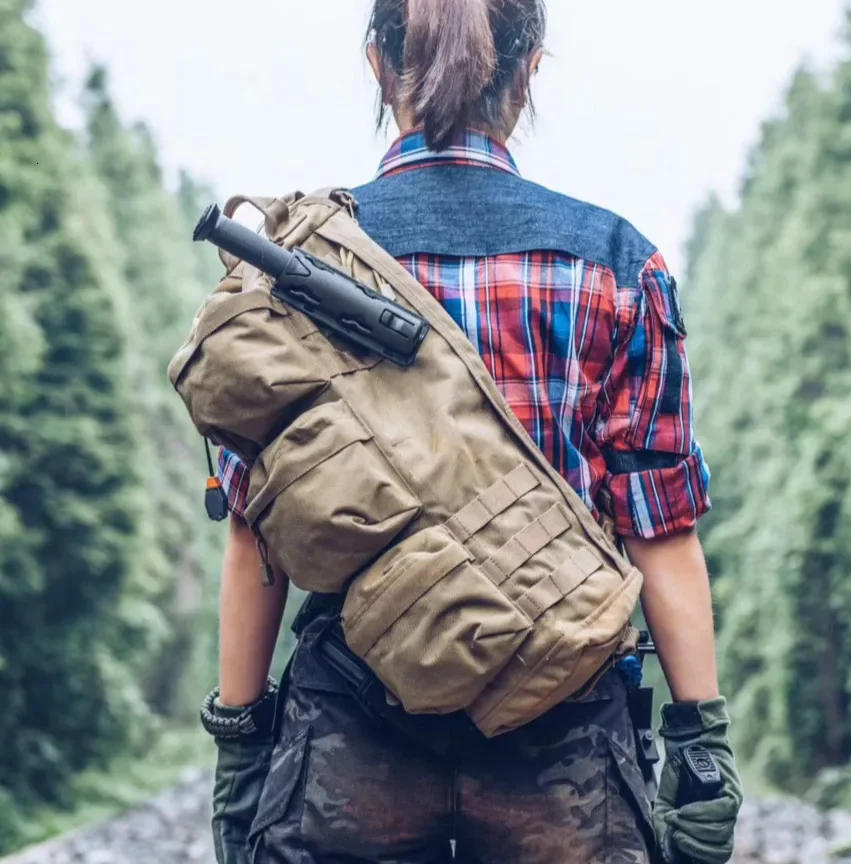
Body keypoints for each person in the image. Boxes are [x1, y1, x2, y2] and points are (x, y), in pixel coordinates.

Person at [205, 1, 743, 862]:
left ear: (378, 68)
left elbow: (256, 536)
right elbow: (660, 532)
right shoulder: (612, 262)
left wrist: (239, 745)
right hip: (562, 737)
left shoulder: (300, 270)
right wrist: (701, 746)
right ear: (530, 72)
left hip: (354, 729)